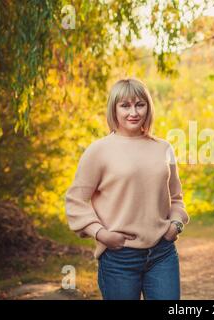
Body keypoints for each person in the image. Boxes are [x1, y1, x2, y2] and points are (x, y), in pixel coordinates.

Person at [65, 77, 190, 300]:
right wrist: (101, 234)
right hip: (118, 257)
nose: (134, 112)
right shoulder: (99, 151)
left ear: (148, 107)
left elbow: (176, 198)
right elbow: (76, 200)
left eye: (140, 104)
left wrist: (176, 225)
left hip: (162, 254)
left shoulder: (163, 148)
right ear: (114, 110)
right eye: (125, 105)